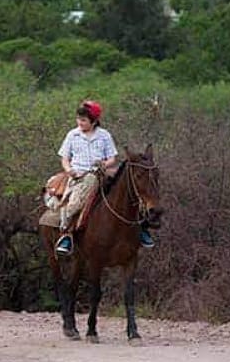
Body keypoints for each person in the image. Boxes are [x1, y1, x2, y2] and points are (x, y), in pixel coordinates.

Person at [54, 100, 155, 255]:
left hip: (102, 172)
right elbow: (64, 158)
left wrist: (104, 164)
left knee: (131, 192)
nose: (79, 122)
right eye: (78, 119)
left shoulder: (104, 135)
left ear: (94, 122)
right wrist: (69, 170)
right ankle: (67, 234)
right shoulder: (72, 135)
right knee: (75, 202)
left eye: (83, 120)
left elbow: (112, 158)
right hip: (80, 175)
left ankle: (142, 228)